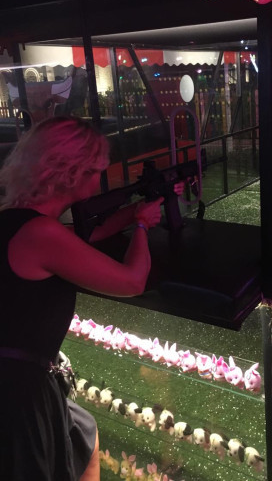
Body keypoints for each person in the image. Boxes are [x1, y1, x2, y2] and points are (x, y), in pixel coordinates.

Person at [0, 115, 183, 481]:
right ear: (71, 172)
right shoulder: (41, 233)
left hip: (18, 380)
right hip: (18, 392)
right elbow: (132, 281)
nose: (101, 176)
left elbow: (80, 237)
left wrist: (133, 212)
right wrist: (142, 226)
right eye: (96, 169)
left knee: (82, 434)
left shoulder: (16, 220)